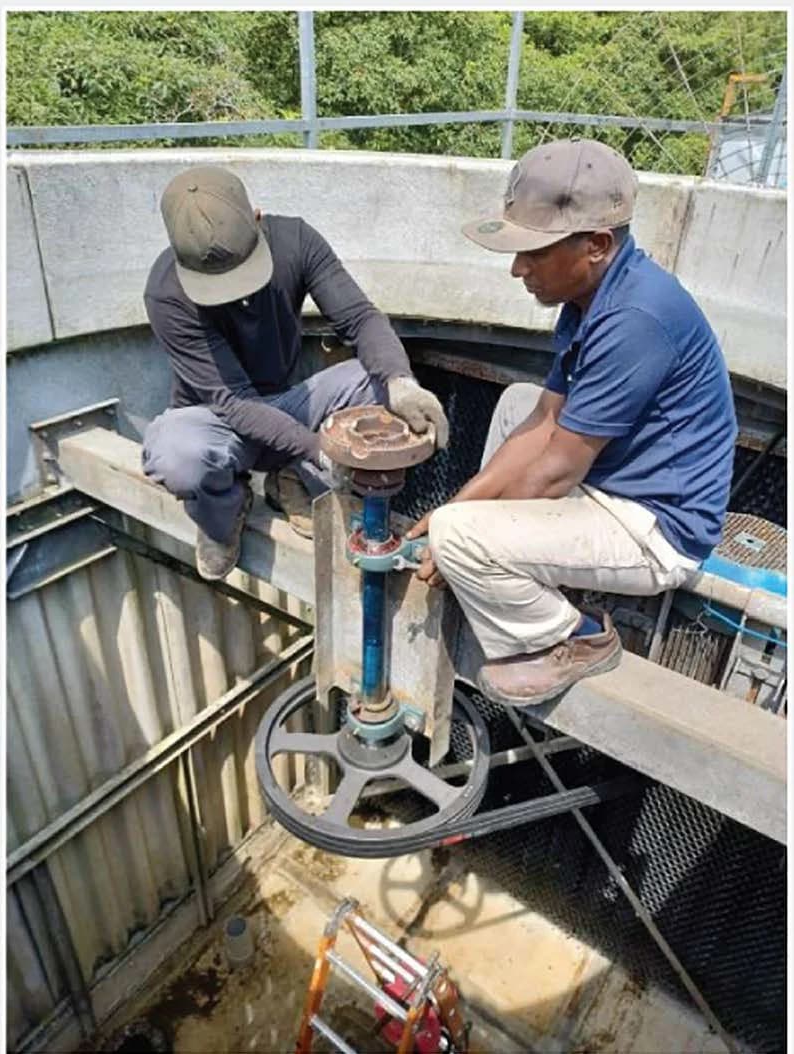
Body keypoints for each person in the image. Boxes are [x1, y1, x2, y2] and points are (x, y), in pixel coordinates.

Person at [407, 138, 737, 707]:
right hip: (622, 479)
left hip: (658, 529)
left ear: (596, 245)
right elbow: (545, 418)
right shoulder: (591, 295)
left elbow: (557, 470)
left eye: (533, 253)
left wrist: (456, 536)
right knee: (518, 403)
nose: (517, 268)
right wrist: (458, 506)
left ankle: (573, 637)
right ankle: (497, 562)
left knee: (460, 536)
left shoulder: (636, 318)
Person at [142, 164, 448, 580]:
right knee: (177, 456)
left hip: (289, 406)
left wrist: (401, 382)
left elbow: (359, 318)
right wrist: (319, 449)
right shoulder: (166, 294)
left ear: (258, 219)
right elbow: (233, 402)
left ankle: (289, 478)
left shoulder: (296, 241)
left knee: (374, 384)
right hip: (217, 424)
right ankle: (224, 512)